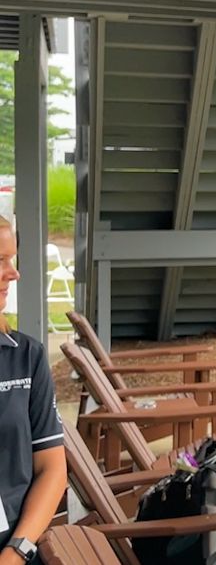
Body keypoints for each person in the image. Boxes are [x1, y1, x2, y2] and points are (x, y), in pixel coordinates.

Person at [0, 215, 67, 565]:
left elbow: (52, 469)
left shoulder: (25, 357)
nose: (14, 273)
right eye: (0, 261)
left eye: (12, 259)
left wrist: (16, 552)